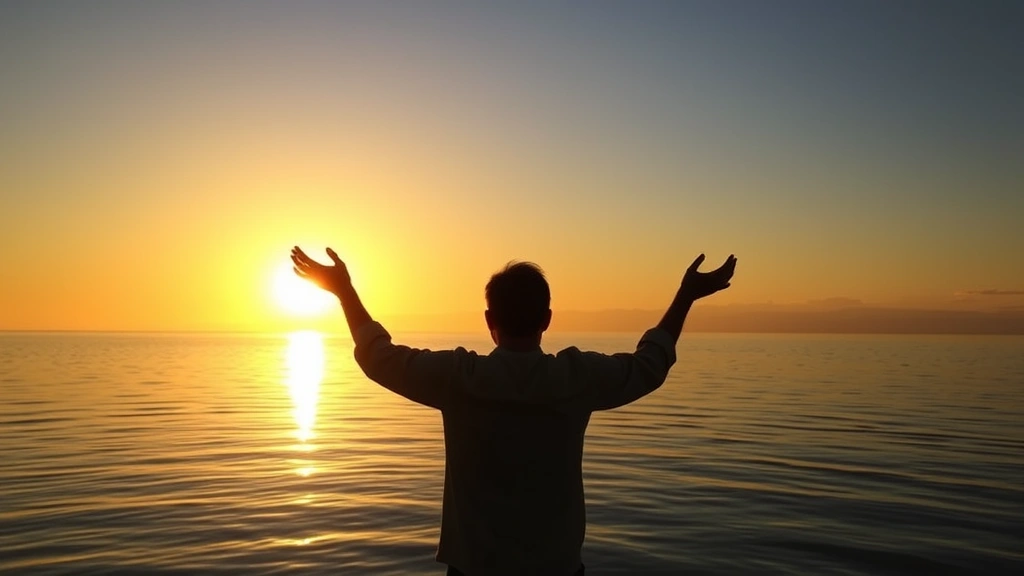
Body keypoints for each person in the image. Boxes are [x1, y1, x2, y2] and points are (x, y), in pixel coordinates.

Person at [291, 246, 737, 576]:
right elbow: (650, 365)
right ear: (547, 319)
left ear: (490, 320)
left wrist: (344, 291)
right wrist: (686, 297)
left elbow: (377, 356)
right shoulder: (577, 377)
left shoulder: (459, 378)